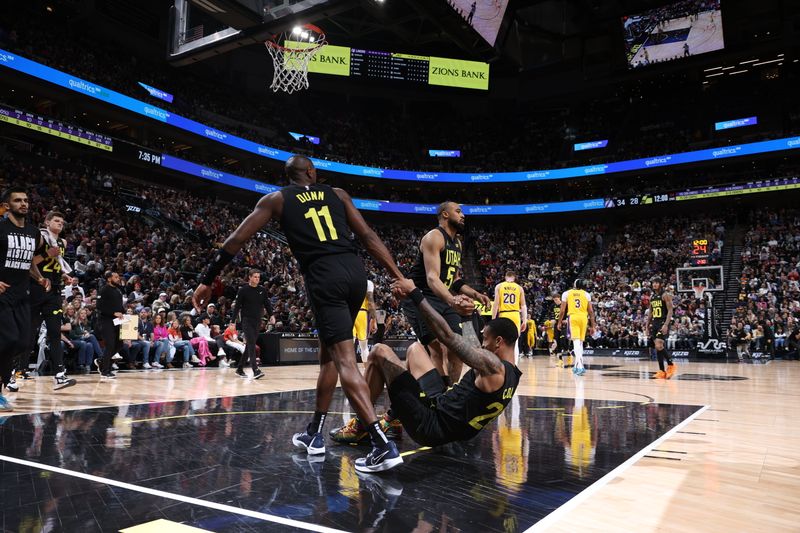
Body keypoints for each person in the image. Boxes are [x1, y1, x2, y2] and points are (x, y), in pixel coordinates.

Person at [193, 154, 407, 473]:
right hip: (354, 274)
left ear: (290, 176)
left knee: (345, 359)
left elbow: (237, 239)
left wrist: (207, 279)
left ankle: (381, 445)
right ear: (311, 172)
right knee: (329, 356)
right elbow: (369, 237)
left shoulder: (276, 199)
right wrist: (397, 275)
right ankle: (314, 434)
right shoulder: (337, 194)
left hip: (324, 277)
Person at [336, 278, 521, 464]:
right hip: (448, 418)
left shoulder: (493, 367)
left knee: (378, 351)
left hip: (431, 426)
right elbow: (474, 348)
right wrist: (466, 316)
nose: (483, 343)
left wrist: (416, 295)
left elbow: (447, 336)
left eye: (486, 339)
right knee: (415, 349)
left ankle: (362, 427)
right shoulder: (511, 374)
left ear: (498, 342)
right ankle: (394, 419)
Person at [402, 201, 490, 388]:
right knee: (437, 348)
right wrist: (452, 299)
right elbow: (432, 278)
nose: (463, 215)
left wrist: (476, 294)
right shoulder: (434, 237)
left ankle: (449, 390)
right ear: (445, 214)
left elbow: (455, 280)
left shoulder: (457, 243)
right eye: (458, 211)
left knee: (457, 348)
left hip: (442, 298)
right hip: (421, 297)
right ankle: (438, 394)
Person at [0, 187, 50, 409]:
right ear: (7, 205)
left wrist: (39, 277)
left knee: (21, 342)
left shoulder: (33, 232)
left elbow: (28, 260)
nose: (23, 203)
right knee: (9, 338)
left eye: (26, 200)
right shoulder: (1, 228)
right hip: (2, 294)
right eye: (17, 200)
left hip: (22, 294)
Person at [27, 210, 77, 389]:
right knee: (30, 331)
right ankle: (18, 369)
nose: (60, 224)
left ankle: (59, 374)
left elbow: (57, 264)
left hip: (55, 289)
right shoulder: (40, 237)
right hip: (37, 287)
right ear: (47, 222)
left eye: (62, 222)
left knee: (55, 332)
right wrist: (48, 254)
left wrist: (64, 275)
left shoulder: (63, 242)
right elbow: (29, 261)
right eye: (56, 220)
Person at [558, 279, 596, 376]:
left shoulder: (566, 293)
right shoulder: (586, 294)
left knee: (575, 341)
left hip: (573, 317)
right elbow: (591, 311)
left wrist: (559, 322)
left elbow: (562, 311)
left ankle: (580, 366)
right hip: (584, 318)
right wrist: (593, 326)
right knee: (580, 342)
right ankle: (577, 365)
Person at [492, 271, 527, 363]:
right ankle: (514, 365)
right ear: (514, 278)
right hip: (515, 315)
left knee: (502, 341)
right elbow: (523, 306)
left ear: (505, 277)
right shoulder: (519, 288)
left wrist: (493, 319)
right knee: (515, 342)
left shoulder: (499, 286)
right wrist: (525, 320)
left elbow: (496, 304)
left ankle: (502, 364)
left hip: (504, 314)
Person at [95, 271, 124, 379]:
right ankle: (105, 371)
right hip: (105, 321)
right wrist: (113, 313)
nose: (118, 279)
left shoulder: (118, 290)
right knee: (110, 345)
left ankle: (102, 361)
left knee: (120, 344)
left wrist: (123, 313)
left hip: (117, 321)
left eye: (118, 277)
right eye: (116, 277)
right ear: (109, 279)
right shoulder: (104, 289)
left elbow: (120, 306)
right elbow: (99, 306)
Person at [645, 277, 675, 378]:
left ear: (661, 284)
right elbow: (650, 312)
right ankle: (662, 371)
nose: (654, 284)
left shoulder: (665, 295)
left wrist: (666, 324)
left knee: (658, 345)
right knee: (658, 348)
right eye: (653, 283)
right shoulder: (652, 297)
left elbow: (670, 310)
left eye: (657, 282)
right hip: (655, 322)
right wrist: (647, 326)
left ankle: (671, 364)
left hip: (663, 321)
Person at [352, 279, 376, 362]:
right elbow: (370, 301)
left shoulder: (347, 280)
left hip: (348, 312)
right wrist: (374, 320)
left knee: (348, 344)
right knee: (364, 347)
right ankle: (367, 372)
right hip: (362, 314)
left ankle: (345, 372)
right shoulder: (368, 283)